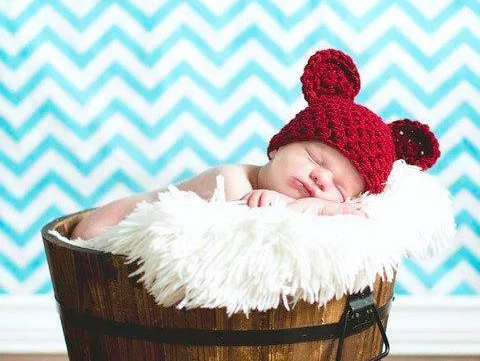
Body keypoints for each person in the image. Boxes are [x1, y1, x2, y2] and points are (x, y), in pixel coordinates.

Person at [70, 48, 440, 240]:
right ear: (278, 147)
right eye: (314, 157)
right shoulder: (234, 182)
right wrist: (319, 209)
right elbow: (237, 237)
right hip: (105, 234)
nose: (320, 179)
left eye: (339, 188)